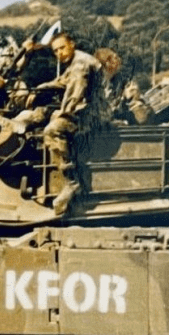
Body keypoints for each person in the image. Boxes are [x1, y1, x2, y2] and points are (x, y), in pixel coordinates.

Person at [34, 32, 104, 215]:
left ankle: (71, 182)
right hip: (87, 111)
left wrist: (61, 114)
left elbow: (75, 95)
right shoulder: (75, 61)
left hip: (95, 115)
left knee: (53, 130)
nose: (59, 53)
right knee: (40, 115)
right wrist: (40, 88)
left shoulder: (81, 64)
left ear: (72, 44)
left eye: (62, 48)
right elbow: (63, 81)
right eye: (56, 51)